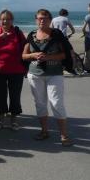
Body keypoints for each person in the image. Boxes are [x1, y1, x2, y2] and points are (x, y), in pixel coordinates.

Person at [23, 9, 73, 146]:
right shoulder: (32, 35)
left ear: (50, 20)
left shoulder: (57, 34)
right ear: (36, 20)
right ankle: (44, 131)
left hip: (54, 74)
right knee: (40, 103)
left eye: (44, 18)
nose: (42, 20)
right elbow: (24, 55)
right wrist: (33, 55)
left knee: (56, 103)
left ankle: (64, 134)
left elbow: (65, 55)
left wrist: (48, 57)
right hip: (35, 74)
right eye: (39, 18)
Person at [0, 9, 26, 131]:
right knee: (1, 96)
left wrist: (26, 67)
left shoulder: (17, 33)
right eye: (3, 19)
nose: (5, 21)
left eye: (8, 19)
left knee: (15, 96)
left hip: (16, 70)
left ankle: (14, 120)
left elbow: (25, 48)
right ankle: (1, 119)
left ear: (12, 20)